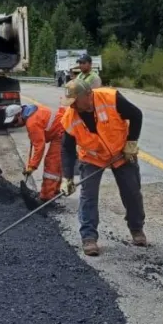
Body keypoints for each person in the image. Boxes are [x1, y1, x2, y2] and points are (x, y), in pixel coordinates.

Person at [59, 77, 146, 256]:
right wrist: (67, 177)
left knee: (132, 192)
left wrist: (131, 142)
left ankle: (136, 228)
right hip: (92, 158)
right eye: (70, 103)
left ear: (88, 95)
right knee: (88, 197)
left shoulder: (111, 98)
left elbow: (136, 114)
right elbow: (67, 149)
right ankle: (89, 237)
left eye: (75, 101)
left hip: (121, 152)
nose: (72, 106)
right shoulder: (70, 117)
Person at [3, 103, 66, 200]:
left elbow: (39, 147)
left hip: (62, 133)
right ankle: (55, 190)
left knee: (51, 162)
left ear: (19, 115)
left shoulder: (32, 122)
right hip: (61, 129)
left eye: (15, 121)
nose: (15, 124)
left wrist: (32, 167)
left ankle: (46, 196)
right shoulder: (31, 111)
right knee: (56, 162)